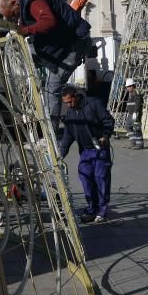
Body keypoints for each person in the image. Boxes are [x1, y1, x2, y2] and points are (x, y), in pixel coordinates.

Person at [0, 0, 93, 131]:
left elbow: (48, 21)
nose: (15, 18)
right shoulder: (24, 4)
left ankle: (51, 132)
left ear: (14, 3)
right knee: (29, 53)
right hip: (64, 43)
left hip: (75, 43)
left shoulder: (34, 2)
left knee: (53, 86)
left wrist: (26, 30)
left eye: (14, 14)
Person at [58, 86, 114, 223]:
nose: (68, 105)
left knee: (101, 179)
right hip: (85, 152)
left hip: (100, 149)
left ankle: (102, 211)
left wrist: (105, 136)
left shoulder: (94, 104)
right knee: (86, 179)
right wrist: (60, 155)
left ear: (76, 96)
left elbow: (108, 120)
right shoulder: (70, 114)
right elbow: (67, 136)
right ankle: (91, 209)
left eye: (70, 101)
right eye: (66, 103)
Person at [123, 78, 145, 150]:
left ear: (132, 86)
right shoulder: (131, 93)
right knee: (127, 126)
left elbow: (138, 104)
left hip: (136, 113)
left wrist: (136, 112)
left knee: (136, 128)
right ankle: (133, 142)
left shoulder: (136, 92)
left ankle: (140, 144)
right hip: (130, 114)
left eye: (128, 87)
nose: (127, 88)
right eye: (127, 87)